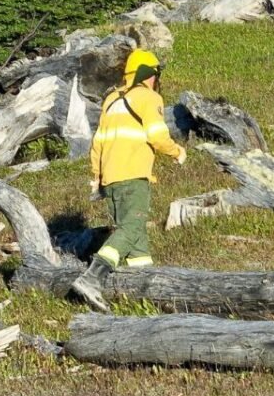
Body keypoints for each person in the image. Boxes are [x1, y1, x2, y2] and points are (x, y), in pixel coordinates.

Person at [71, 48, 187, 312]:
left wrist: (97, 177)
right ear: (149, 75)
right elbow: (157, 136)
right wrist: (177, 152)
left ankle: (145, 291)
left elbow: (97, 143)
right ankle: (92, 278)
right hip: (133, 176)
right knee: (131, 229)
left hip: (110, 180)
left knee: (137, 240)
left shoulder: (111, 100)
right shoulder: (147, 97)